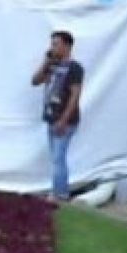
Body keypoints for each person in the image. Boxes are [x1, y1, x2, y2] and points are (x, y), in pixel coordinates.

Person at [31, 30, 84, 201]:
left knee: (58, 158)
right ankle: (60, 191)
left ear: (67, 46)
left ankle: (59, 194)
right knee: (56, 158)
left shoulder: (75, 68)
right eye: (52, 44)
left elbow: (75, 96)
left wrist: (64, 120)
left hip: (65, 121)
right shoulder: (52, 65)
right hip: (51, 117)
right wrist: (46, 60)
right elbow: (35, 81)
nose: (52, 47)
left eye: (56, 44)